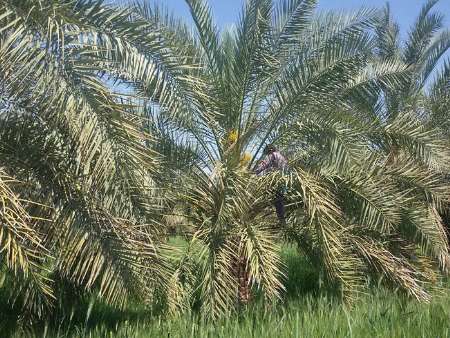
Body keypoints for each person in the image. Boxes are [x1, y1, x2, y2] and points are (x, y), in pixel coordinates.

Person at [254, 144, 288, 224]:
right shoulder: (282, 158)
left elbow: (263, 165)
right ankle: (282, 220)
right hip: (283, 183)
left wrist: (253, 172)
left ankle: (281, 221)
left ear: (269, 150)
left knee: (272, 200)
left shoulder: (271, 155)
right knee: (279, 202)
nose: (266, 154)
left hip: (274, 182)